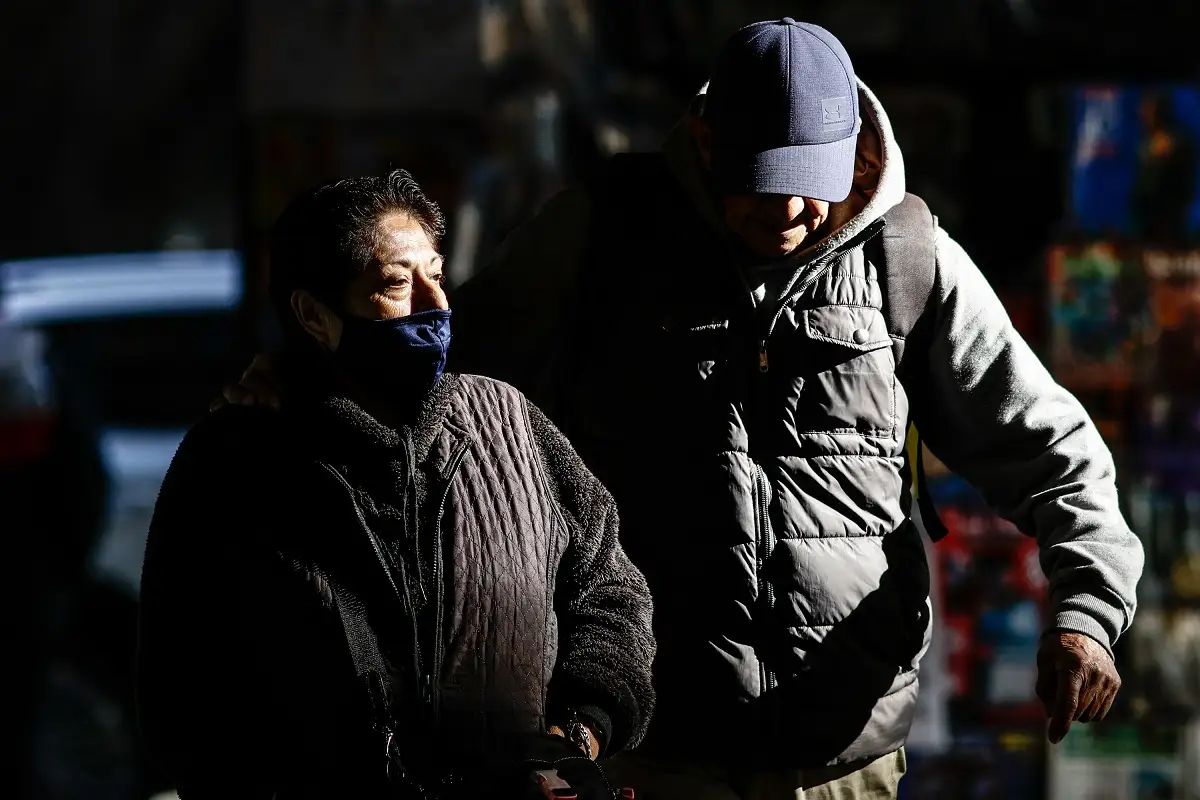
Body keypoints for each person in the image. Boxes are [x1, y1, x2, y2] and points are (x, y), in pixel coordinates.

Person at [223, 20, 1145, 800]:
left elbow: (1054, 447)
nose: (789, 206)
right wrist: (305, 376)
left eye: (811, 177)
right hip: (654, 755)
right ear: (705, 142)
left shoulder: (909, 259)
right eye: (761, 174)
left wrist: (1085, 614)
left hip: (845, 766)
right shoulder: (604, 232)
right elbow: (440, 372)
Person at [138, 170, 655, 799]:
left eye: (436, 273)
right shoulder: (236, 463)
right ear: (314, 315)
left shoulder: (513, 429)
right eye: (394, 285)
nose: (434, 304)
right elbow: (181, 688)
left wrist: (579, 735)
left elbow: (609, 593)